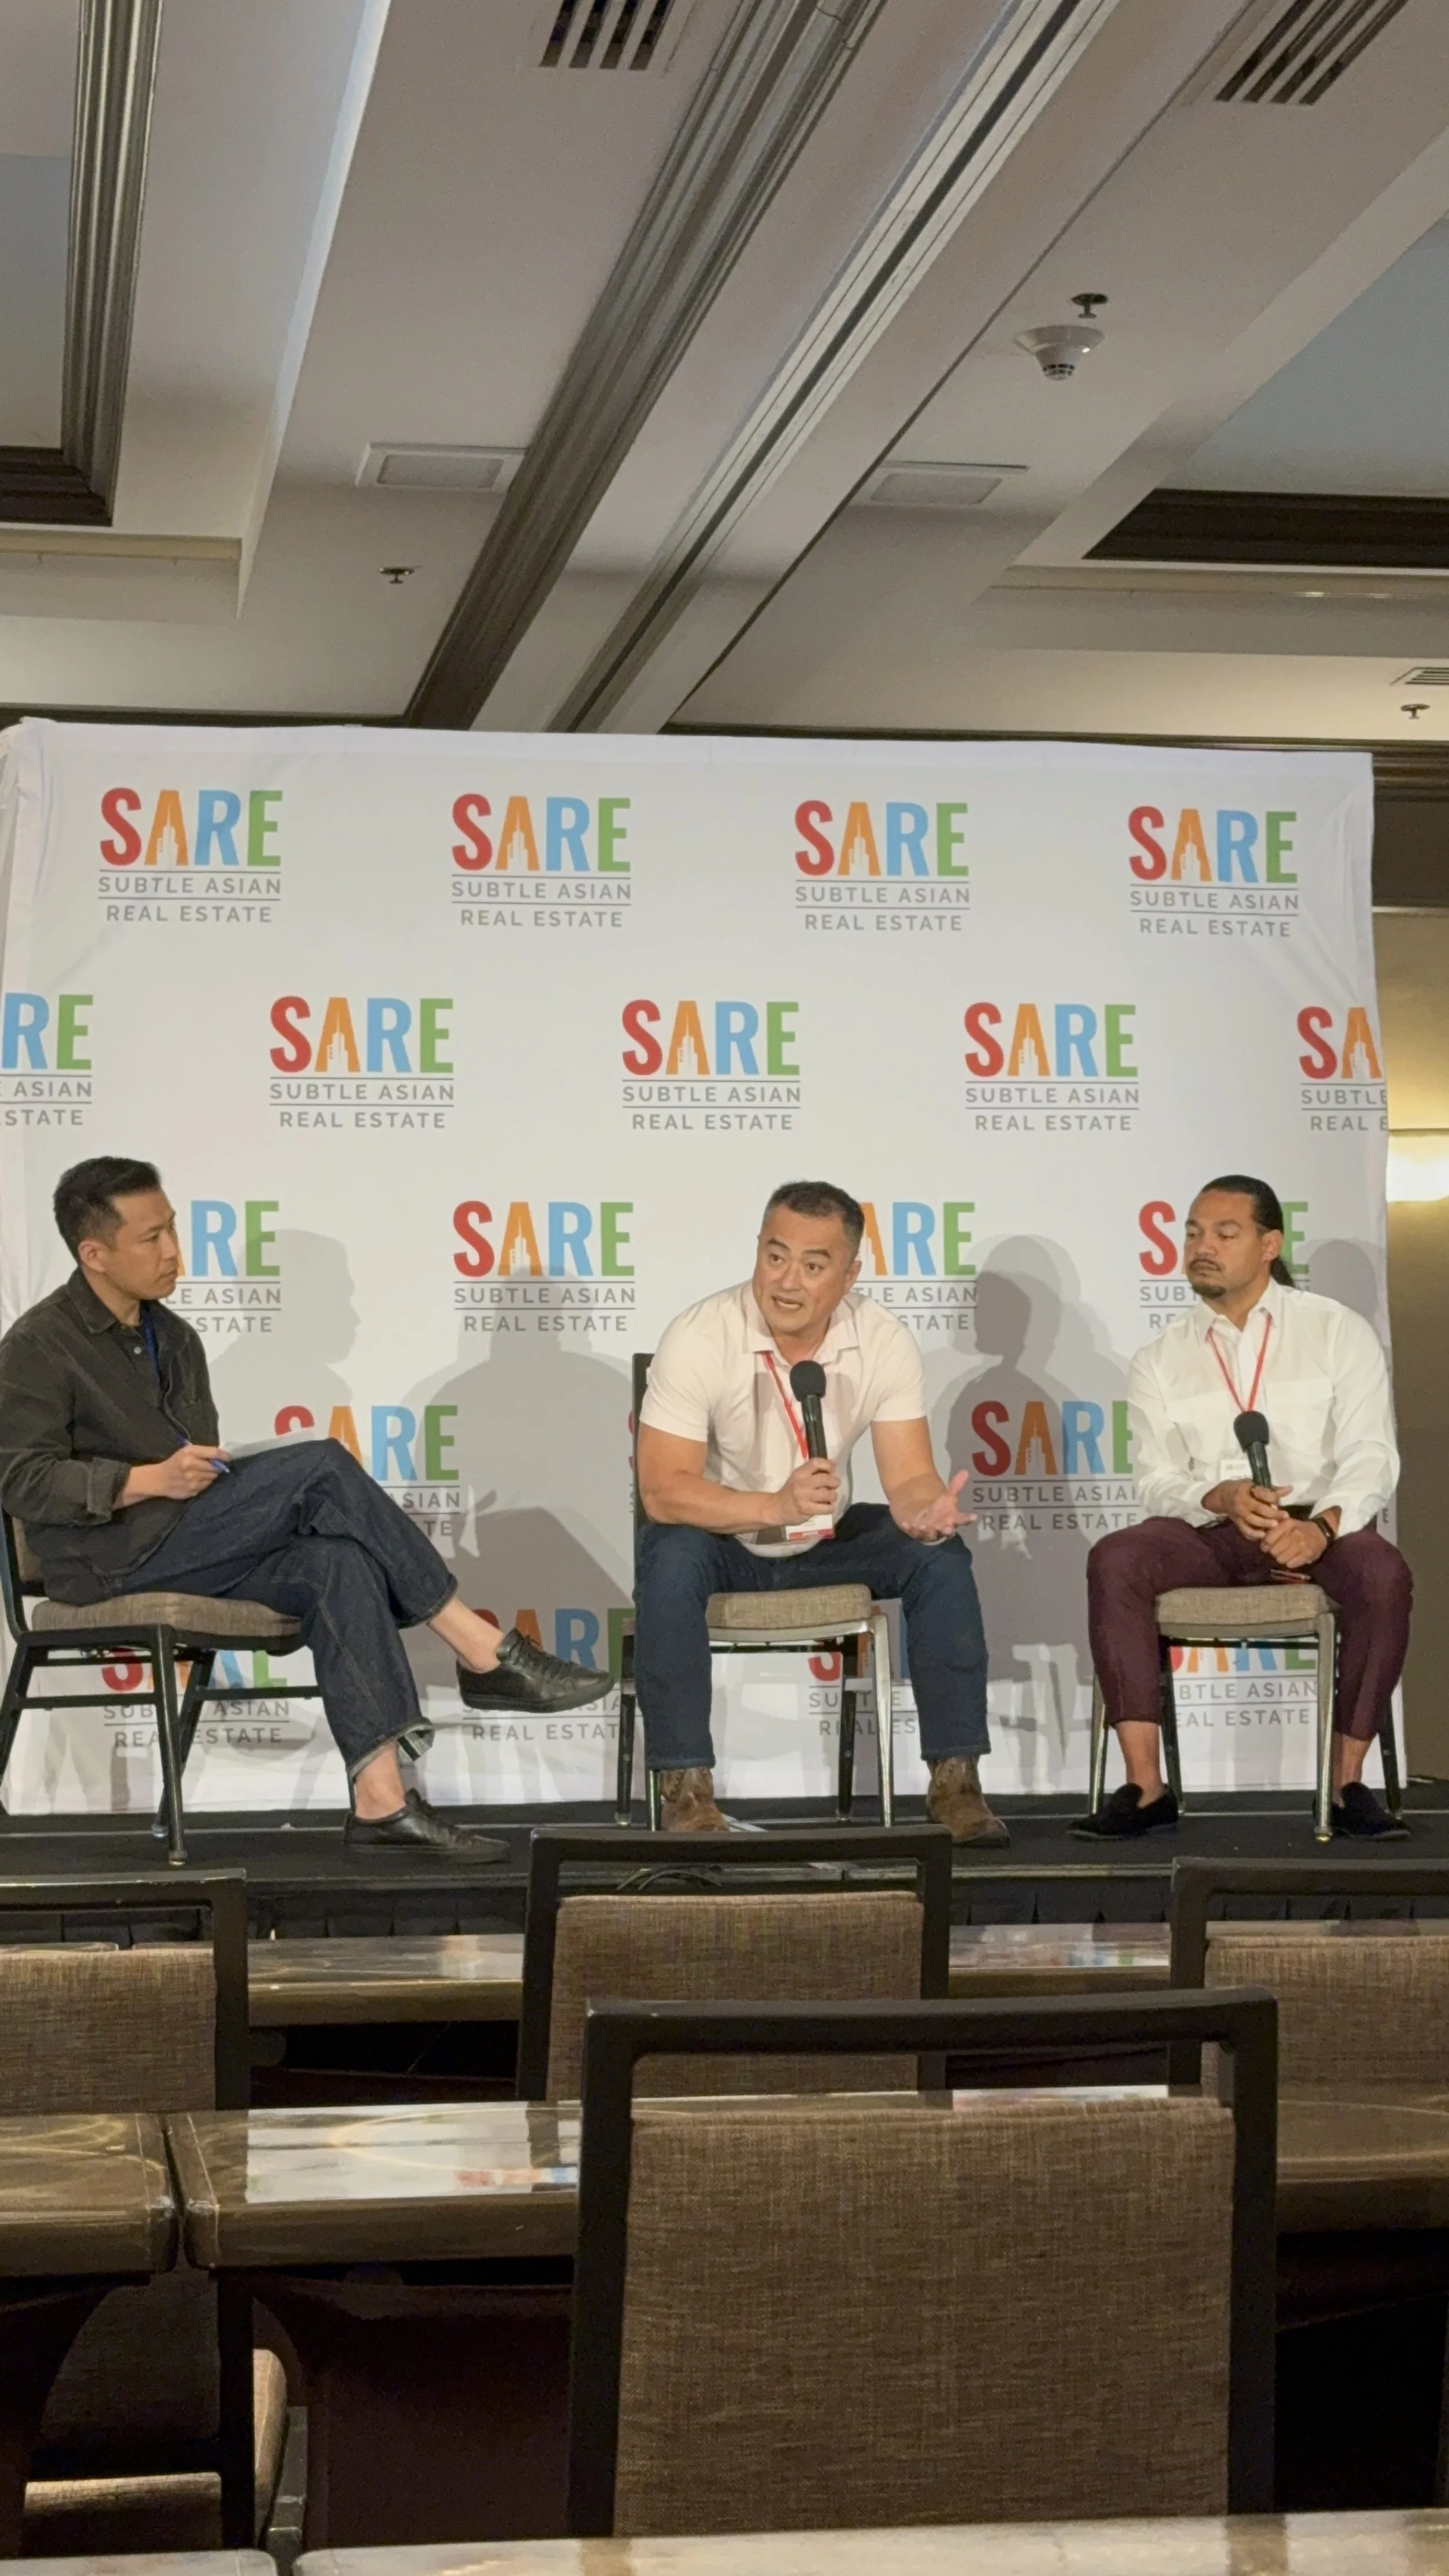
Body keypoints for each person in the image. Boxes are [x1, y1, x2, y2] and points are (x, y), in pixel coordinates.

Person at [0, 1158, 611, 1858]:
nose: (174, 1252)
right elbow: (20, 1478)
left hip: (180, 1537)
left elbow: (191, 1465)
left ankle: (380, 1801)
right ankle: (480, 1647)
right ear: (94, 1254)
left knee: (338, 1561)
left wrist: (196, 1473)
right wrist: (142, 1480)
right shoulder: (38, 1346)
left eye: (173, 1229)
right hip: (102, 1559)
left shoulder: (174, 1338)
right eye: (152, 1238)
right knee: (320, 1465)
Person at [634, 1179, 1005, 1842]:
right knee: (668, 1556)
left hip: (826, 1538)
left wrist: (925, 1512)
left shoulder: (880, 1340)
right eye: (775, 1257)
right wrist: (771, 1504)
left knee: (938, 1558)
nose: (787, 1282)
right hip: (722, 1540)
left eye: (813, 1265)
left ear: (850, 1273)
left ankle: (957, 1784)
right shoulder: (699, 1335)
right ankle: (686, 1793)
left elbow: (910, 1477)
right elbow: (662, 1489)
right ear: (756, 1251)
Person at [1076, 1174, 1409, 1842]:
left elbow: (1372, 1454)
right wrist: (1220, 1496)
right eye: (1193, 1232)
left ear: (1268, 1244)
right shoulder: (1160, 1357)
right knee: (1117, 1559)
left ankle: (1343, 1783)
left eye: (1224, 1233)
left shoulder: (1334, 1331)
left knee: (1383, 1575)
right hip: (1214, 1532)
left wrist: (1321, 1529)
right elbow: (1156, 1479)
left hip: (1321, 1526)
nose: (1202, 1246)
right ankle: (1145, 1787)